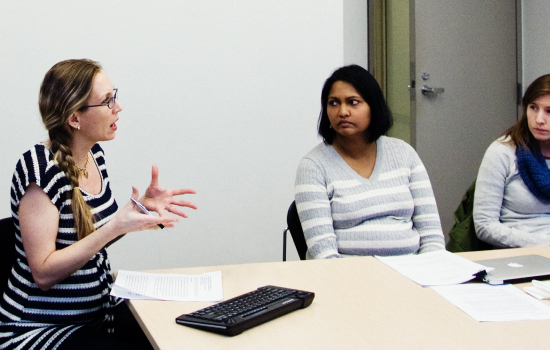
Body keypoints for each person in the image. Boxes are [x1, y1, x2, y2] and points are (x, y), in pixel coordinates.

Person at [0, 59, 197, 350]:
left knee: (174, 335)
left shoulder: (95, 155)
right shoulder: (38, 172)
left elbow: (85, 239)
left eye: (113, 96)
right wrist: (115, 226)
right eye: (106, 101)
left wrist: (137, 212)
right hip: (39, 328)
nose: (118, 108)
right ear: (74, 119)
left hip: (96, 312)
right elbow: (43, 273)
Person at [294, 64, 445, 259]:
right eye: (334, 103)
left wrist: (426, 272)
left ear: (373, 106)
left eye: (353, 102)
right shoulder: (313, 166)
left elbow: (432, 238)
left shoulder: (404, 154)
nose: (343, 112)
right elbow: (324, 255)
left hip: (413, 274)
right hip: (350, 279)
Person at [473, 74, 550, 248]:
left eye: (549, 111)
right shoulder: (503, 151)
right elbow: (484, 226)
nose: (539, 119)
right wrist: (544, 244)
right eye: (533, 108)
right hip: (518, 252)